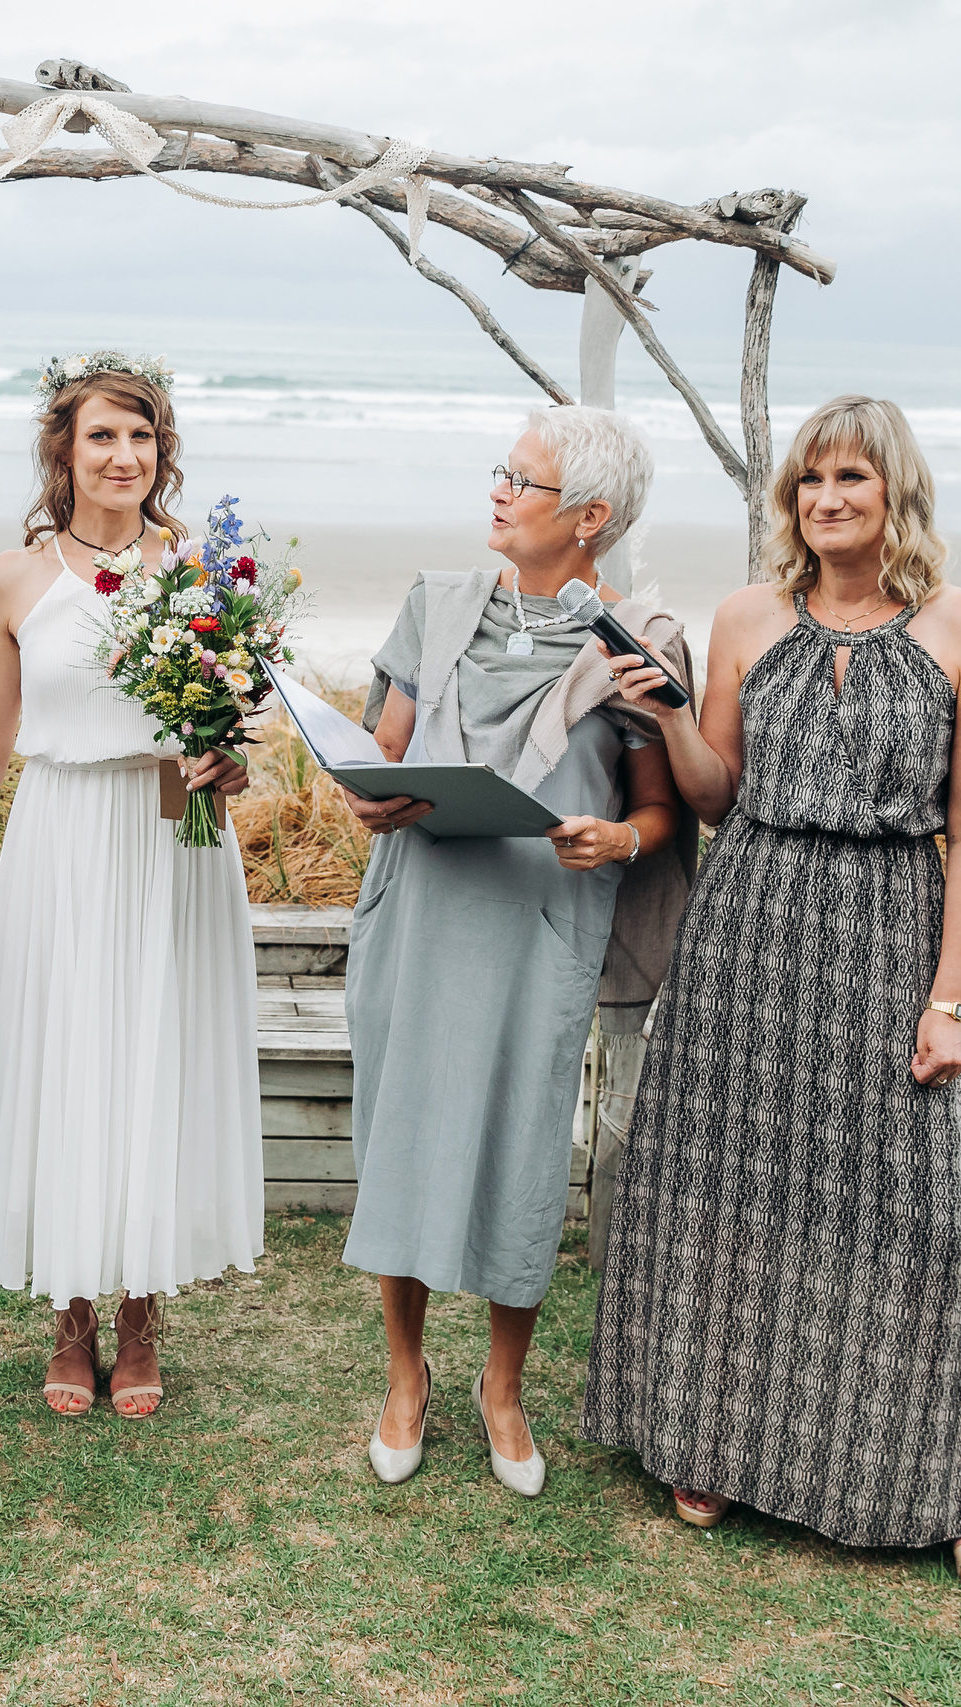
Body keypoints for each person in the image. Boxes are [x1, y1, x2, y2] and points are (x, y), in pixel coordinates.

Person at [577, 395, 961, 1592]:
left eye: (852, 480)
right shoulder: (745, 616)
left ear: (895, 494)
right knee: (731, 1188)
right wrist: (668, 712)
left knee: (908, 1211)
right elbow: (716, 793)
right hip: (749, 922)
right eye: (810, 479)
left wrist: (951, 998)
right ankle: (712, 1436)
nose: (827, 499)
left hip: (886, 927)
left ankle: (946, 1478)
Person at [340, 406, 691, 1497]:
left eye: (521, 479)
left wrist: (623, 839)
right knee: (398, 1135)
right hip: (420, 906)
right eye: (500, 471)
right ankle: (405, 1379)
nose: (496, 490)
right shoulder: (436, 602)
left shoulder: (641, 637)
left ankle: (501, 1386)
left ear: (589, 517)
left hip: (542, 923)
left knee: (521, 1151)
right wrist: (373, 796)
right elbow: (380, 757)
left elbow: (661, 809)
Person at [0, 352, 261, 1419]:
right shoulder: (13, 578)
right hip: (64, 835)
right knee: (67, 1055)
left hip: (174, 836)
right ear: (63, 452)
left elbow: (235, 733)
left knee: (153, 1056)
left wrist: (233, 761)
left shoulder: (207, 570)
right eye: (101, 437)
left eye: (141, 437)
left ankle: (140, 1315)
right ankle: (68, 1313)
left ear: (160, 453)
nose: (123, 456)